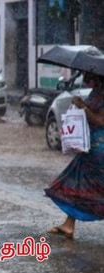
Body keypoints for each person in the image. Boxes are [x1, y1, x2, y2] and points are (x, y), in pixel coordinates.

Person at [45, 72, 104, 239]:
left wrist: (83, 107)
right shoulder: (96, 93)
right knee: (75, 184)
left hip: (100, 152)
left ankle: (69, 223)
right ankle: (69, 224)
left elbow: (100, 121)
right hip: (89, 149)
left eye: (89, 77)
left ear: (99, 78)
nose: (85, 80)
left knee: (94, 189)